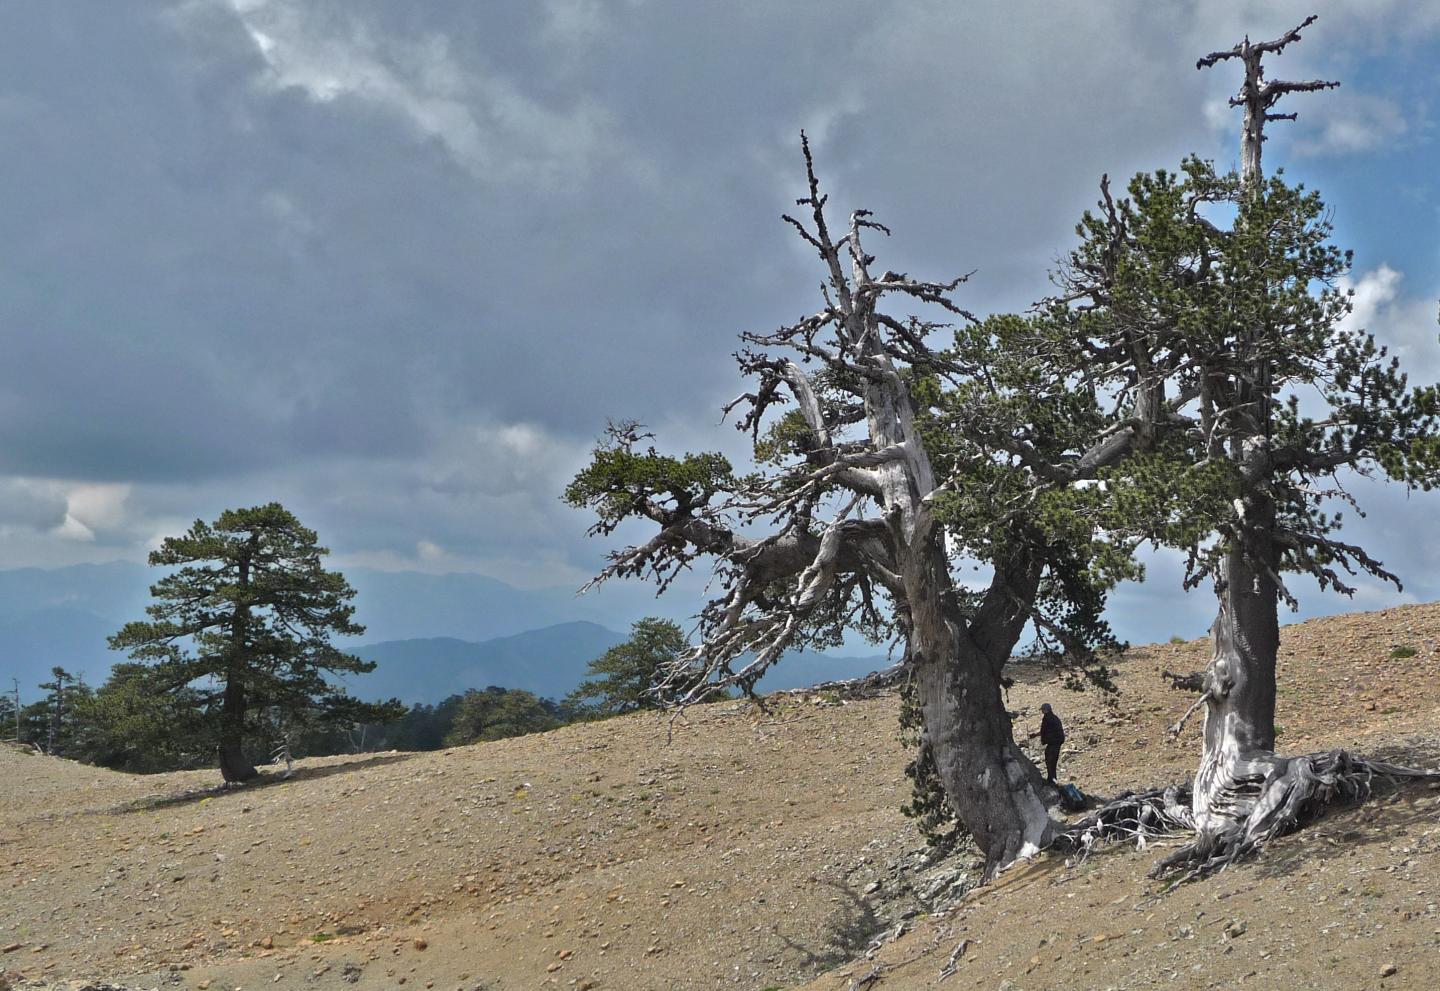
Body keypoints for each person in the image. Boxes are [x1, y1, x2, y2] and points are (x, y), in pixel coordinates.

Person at [1038, 703, 1065, 784]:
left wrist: (1044, 739)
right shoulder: (1055, 718)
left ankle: (1051, 779)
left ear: (1046, 710)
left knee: (1049, 759)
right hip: (1057, 742)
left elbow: (1045, 730)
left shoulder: (1047, 718)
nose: (1042, 711)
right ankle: (1053, 778)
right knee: (1053, 760)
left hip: (1053, 742)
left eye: (1042, 710)